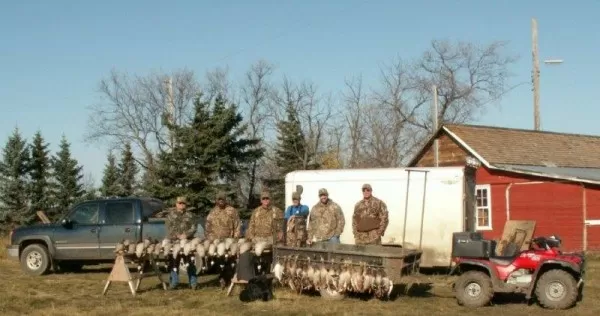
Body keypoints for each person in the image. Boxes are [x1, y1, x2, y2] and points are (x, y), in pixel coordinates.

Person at [165, 196, 198, 289]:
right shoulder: (170, 216)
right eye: (180, 203)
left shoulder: (190, 215)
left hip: (188, 241)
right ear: (176, 204)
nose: (181, 205)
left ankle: (193, 283)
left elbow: (194, 227)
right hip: (174, 242)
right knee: (174, 262)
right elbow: (168, 228)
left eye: (183, 203)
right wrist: (177, 235)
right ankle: (174, 283)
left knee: (190, 262)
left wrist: (186, 235)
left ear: (186, 205)